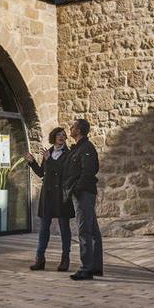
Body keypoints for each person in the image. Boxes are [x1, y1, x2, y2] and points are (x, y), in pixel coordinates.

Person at [25, 127, 74, 271]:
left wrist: (50, 160)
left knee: (64, 228)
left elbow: (64, 171)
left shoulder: (69, 154)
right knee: (44, 228)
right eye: (59, 134)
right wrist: (32, 162)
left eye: (64, 135)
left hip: (62, 195)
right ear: (54, 137)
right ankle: (40, 259)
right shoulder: (49, 153)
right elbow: (41, 173)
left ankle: (65, 259)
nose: (62, 136)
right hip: (47, 195)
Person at [63, 118, 102, 281]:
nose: (70, 129)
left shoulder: (86, 148)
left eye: (72, 127)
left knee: (85, 230)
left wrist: (77, 188)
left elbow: (89, 171)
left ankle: (86, 268)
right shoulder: (78, 148)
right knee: (92, 230)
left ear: (78, 130)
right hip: (81, 193)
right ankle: (95, 267)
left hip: (83, 193)